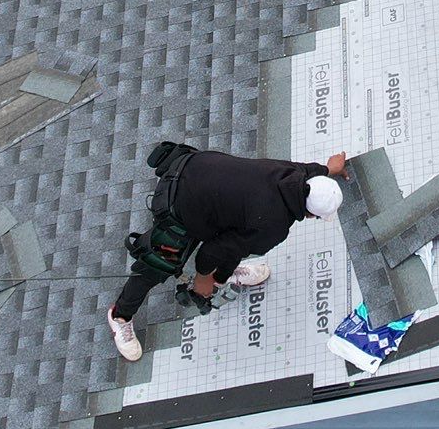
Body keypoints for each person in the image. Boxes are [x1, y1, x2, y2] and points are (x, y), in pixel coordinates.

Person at [110, 145, 349, 361]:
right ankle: (120, 315)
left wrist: (329, 169)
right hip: (178, 205)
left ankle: (227, 273)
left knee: (235, 230)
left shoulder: (290, 175)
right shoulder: (274, 226)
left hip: (189, 164)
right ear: (313, 215)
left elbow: (309, 173)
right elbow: (210, 252)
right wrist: (204, 281)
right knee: (156, 265)